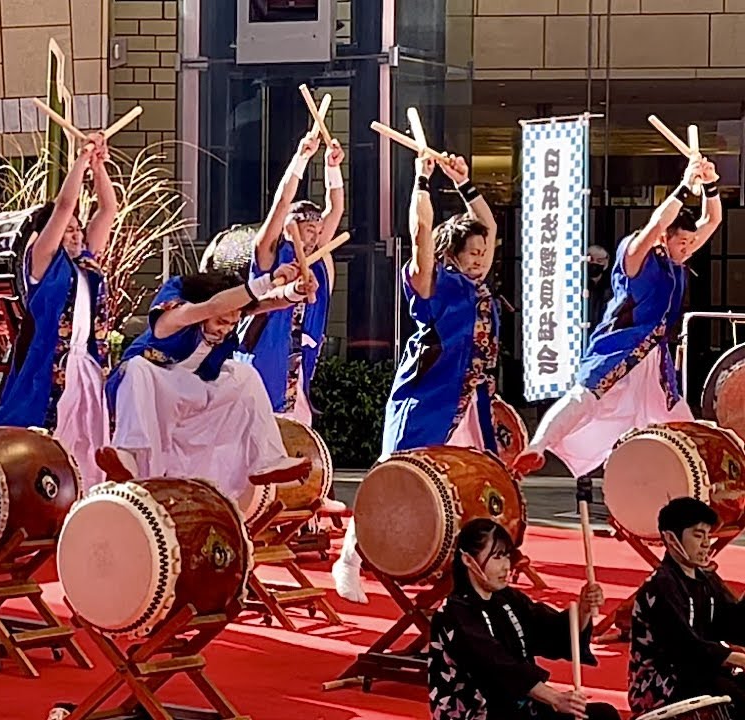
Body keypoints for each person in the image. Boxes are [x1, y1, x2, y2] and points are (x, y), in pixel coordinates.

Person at [334, 153, 500, 603]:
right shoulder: (432, 282)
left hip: (472, 400)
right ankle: (349, 557)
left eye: (483, 253)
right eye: (472, 253)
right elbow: (420, 231)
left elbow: (488, 225)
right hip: (428, 395)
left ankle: (466, 570)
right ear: (452, 255)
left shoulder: (478, 286)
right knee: (394, 477)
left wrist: (464, 183)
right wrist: (421, 181)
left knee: (476, 481)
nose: (480, 259)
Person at [514, 159, 719, 480]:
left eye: (691, 243)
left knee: (678, 423)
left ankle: (686, 484)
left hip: (653, 360)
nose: (689, 248)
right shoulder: (636, 254)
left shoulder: (677, 259)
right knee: (584, 397)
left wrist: (710, 183)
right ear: (664, 238)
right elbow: (656, 224)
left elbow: (712, 219)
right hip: (620, 345)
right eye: (682, 241)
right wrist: (683, 186)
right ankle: (537, 447)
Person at [96, 268, 315, 502]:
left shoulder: (225, 316)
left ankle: (267, 458)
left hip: (191, 390)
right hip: (154, 387)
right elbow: (213, 306)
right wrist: (268, 280)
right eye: (221, 322)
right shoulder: (177, 316)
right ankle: (129, 453)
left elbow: (264, 303)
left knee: (244, 375)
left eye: (232, 324)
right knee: (137, 367)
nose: (226, 329)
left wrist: (295, 290)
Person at [0, 135, 116, 488]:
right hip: (49, 362)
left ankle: (83, 498)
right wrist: (81, 160)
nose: (75, 234)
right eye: (69, 231)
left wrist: (98, 166)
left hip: (86, 364)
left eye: (78, 229)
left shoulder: (87, 261)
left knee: (87, 442)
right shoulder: (43, 262)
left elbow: (108, 210)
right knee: (48, 439)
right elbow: (63, 206)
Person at [429, 518, 615, 720]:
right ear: (468, 560)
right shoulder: (453, 614)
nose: (506, 566)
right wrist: (555, 698)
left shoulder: (507, 599)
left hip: (520, 709)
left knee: (603, 715)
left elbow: (550, 630)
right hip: (481, 714)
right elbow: (497, 666)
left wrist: (583, 609)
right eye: (497, 557)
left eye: (507, 556)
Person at [238, 133, 345, 427]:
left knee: (294, 430)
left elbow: (336, 210)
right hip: (265, 351)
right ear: (289, 228)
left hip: (298, 357)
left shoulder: (316, 261)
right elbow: (282, 202)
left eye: (318, 231)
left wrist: (332, 167)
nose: (313, 237)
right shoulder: (270, 254)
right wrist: (301, 158)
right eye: (308, 229)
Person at [629, 497, 745, 715]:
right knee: (731, 695)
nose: (706, 543)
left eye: (708, 535)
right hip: (660, 682)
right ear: (671, 538)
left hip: (699, 672)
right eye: (698, 535)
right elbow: (684, 647)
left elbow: (731, 625)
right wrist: (737, 658)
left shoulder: (706, 580)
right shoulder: (660, 586)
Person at [586, 245, 613, 331]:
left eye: (599, 261)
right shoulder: (578, 284)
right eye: (591, 260)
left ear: (605, 264)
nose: (594, 263)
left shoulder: (610, 286)